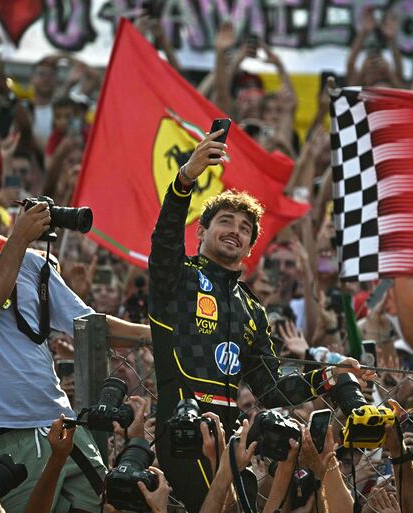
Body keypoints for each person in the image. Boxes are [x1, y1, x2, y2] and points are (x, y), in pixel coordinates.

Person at [148, 128, 373, 513]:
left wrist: (327, 377)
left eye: (245, 228)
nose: (235, 230)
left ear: (251, 248)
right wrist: (185, 180)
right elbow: (164, 238)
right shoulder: (177, 277)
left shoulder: (252, 309)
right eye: (226, 221)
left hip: (235, 438)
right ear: (201, 231)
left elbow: (270, 390)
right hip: (184, 430)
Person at [0, 175, 147, 513]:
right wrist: (20, 238)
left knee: (109, 508)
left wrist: (153, 335)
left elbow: (90, 326)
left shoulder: (33, 263)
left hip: (61, 426)